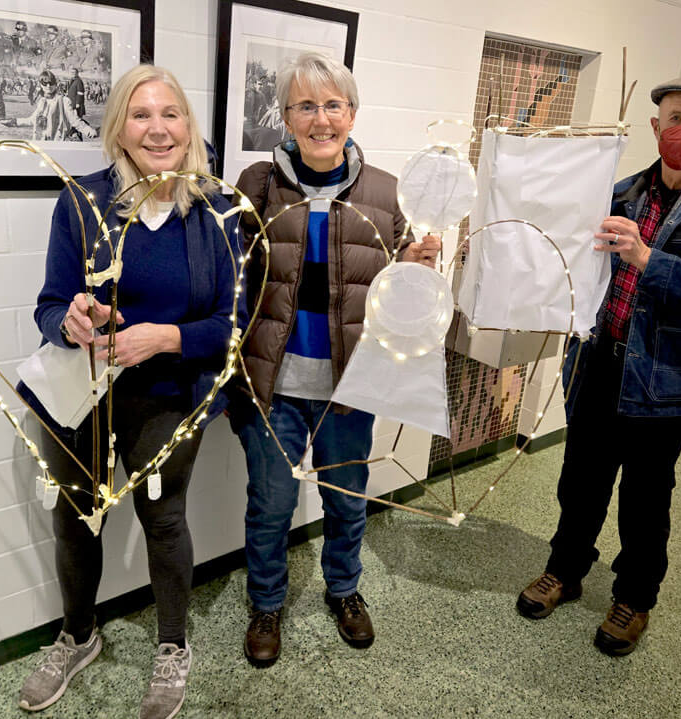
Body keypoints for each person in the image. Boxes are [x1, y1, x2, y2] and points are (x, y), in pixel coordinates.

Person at [16, 64, 246, 719]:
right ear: (118, 127)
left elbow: (234, 324)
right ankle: (78, 634)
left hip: (169, 395)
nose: (158, 127)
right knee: (75, 518)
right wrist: (70, 319)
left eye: (170, 113)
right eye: (141, 114)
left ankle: (173, 645)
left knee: (164, 519)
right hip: (82, 395)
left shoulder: (216, 211)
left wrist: (162, 338)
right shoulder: (81, 202)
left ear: (188, 126)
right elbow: (49, 304)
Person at [229, 51, 441, 667]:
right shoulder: (256, 184)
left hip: (352, 385)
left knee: (348, 501)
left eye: (333, 105)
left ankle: (344, 591)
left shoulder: (385, 191)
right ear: (287, 117)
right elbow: (234, 282)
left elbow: (401, 289)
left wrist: (419, 265)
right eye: (305, 106)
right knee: (269, 505)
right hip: (276, 385)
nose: (320, 119)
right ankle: (267, 603)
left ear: (351, 113)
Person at [517, 73, 681, 656]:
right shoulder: (621, 192)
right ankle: (567, 568)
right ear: (657, 127)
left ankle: (634, 598)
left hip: (665, 380)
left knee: (647, 495)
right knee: (579, 480)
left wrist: (645, 256)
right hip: (599, 362)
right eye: (678, 118)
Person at [13, 70, 97, 141]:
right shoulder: (42, 102)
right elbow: (33, 120)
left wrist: (89, 131)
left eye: (51, 83)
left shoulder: (64, 101)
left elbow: (74, 121)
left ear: (55, 84)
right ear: (41, 85)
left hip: (57, 144)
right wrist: (15, 122)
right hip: (41, 143)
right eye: (45, 83)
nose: (48, 86)